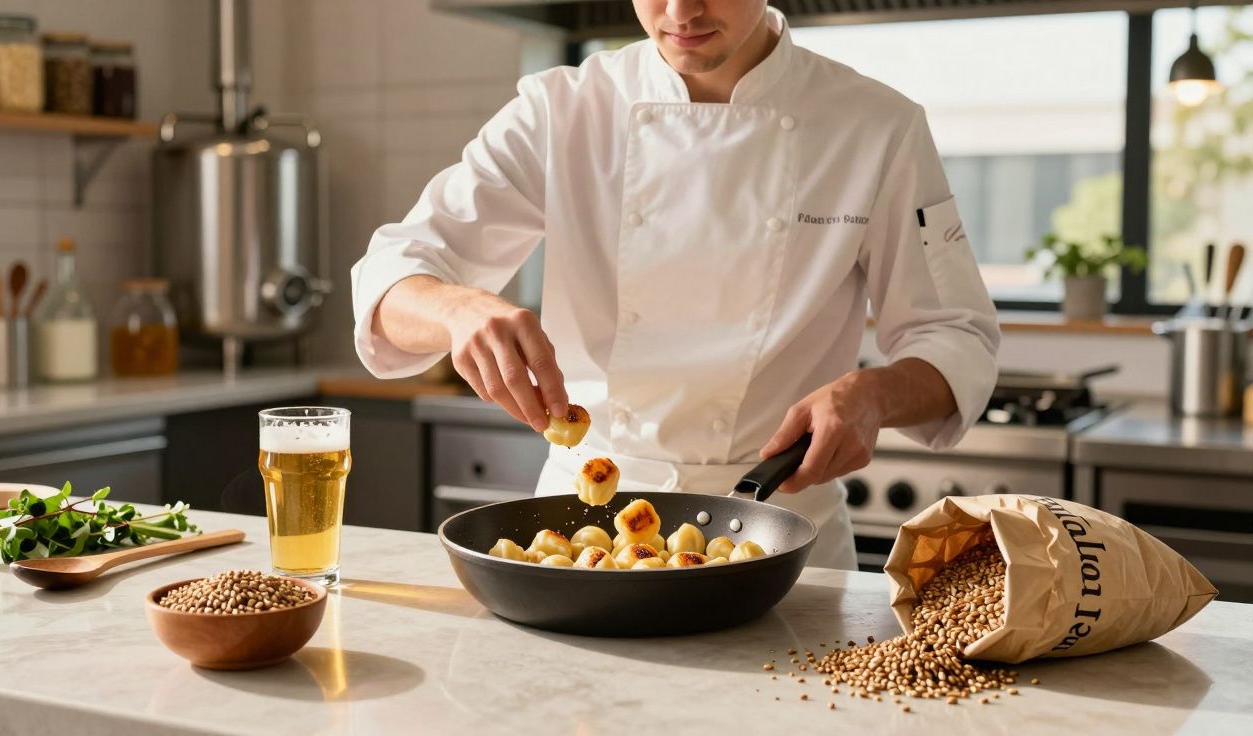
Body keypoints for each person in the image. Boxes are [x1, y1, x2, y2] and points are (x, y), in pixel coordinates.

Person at [351, 0, 999, 569]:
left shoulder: (876, 126)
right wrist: (457, 309)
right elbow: (389, 281)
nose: (681, 12)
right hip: (583, 535)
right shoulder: (561, 110)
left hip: (779, 536)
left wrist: (873, 394)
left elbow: (958, 340)